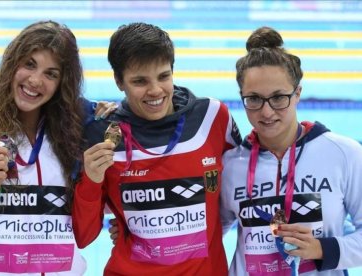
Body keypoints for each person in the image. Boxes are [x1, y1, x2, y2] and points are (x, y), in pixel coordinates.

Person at [72, 22, 241, 275]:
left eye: (164, 76)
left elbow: (245, 184)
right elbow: (83, 237)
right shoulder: (101, 135)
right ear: (119, 81)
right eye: (140, 81)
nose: (155, 91)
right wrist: (92, 181)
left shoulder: (212, 117)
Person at [0, 20, 116, 275]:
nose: (36, 80)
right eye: (29, 64)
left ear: (63, 84)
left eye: (51, 74)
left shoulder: (77, 130)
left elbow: (97, 206)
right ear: (11, 63)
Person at [220, 26, 362, 276]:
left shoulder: (343, 154)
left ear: (297, 93)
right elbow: (206, 236)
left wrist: (322, 249)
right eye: (254, 99)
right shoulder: (231, 165)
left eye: (278, 97)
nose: (266, 112)